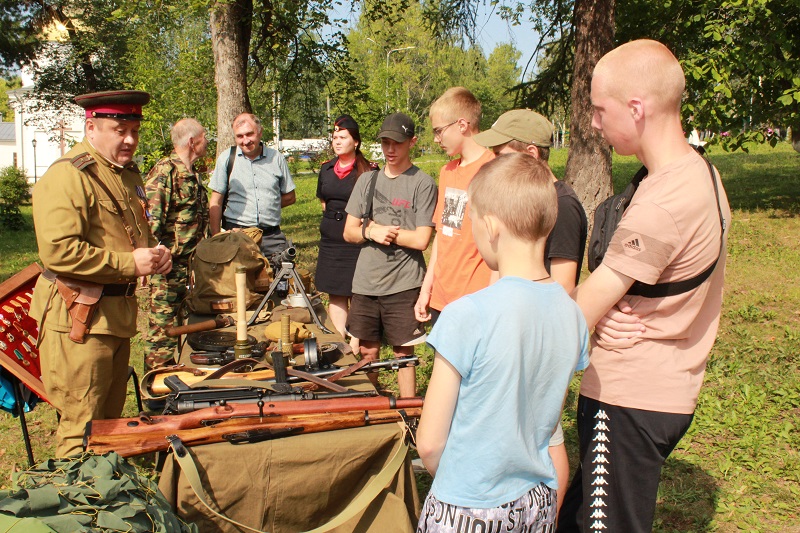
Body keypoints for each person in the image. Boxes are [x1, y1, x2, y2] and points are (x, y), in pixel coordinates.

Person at [556, 39, 731, 533]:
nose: (593, 122)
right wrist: (597, 315)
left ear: (636, 109)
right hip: (666, 383)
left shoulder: (664, 201)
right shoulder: (702, 175)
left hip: (629, 396)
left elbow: (571, 315)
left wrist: (589, 316)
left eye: (598, 109)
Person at [416, 153, 589, 532]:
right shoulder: (572, 314)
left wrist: (456, 486)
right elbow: (545, 421)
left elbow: (429, 443)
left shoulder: (467, 315)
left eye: (472, 222)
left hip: (464, 504)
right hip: (536, 501)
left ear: (491, 226)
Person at [29, 90, 172, 457]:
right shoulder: (70, 176)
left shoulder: (125, 175)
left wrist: (156, 255)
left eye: (134, 131)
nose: (129, 139)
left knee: (106, 425)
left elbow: (133, 234)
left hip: (114, 317)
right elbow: (59, 252)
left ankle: (101, 502)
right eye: (118, 129)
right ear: (91, 127)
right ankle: (71, 507)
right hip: (79, 318)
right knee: (81, 429)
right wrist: (131, 264)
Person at [473, 108, 588, 513]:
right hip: (514, 331)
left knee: (546, 437)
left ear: (533, 154)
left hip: (538, 341)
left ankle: (549, 517)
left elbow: (563, 286)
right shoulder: (528, 202)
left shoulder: (562, 204)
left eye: (503, 153)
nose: (494, 161)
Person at [343, 113, 437, 398]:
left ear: (412, 142)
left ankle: (408, 411)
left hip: (404, 283)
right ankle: (369, 407)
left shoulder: (422, 183)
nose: (390, 150)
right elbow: (349, 231)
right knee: (367, 349)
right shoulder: (367, 181)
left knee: (402, 352)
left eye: (396, 143)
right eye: (385, 142)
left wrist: (385, 232)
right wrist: (371, 233)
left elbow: (422, 239)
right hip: (366, 283)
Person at [414, 87, 494, 327]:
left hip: (477, 300)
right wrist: (426, 290)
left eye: (439, 131)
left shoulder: (493, 169)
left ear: (462, 125)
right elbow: (443, 233)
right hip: (442, 299)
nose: (436, 139)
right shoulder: (447, 172)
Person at [143, 118, 209, 371]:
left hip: (189, 267)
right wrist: (156, 260)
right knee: (162, 333)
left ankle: (177, 381)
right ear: (193, 142)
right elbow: (151, 222)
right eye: (204, 137)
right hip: (167, 269)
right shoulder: (165, 171)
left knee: (182, 327)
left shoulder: (191, 173)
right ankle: (156, 394)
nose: (207, 142)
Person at [315, 115, 378, 351]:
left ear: (356, 142)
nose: (337, 142)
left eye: (343, 137)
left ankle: (356, 341)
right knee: (336, 292)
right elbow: (324, 202)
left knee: (357, 291)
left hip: (357, 238)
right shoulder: (326, 169)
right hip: (331, 239)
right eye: (334, 138)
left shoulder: (369, 170)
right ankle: (339, 338)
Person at [208, 113, 296, 257]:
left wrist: (266, 205)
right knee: (237, 279)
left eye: (250, 134)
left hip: (271, 238)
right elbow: (216, 202)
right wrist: (216, 237)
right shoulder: (226, 159)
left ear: (260, 132)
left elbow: (290, 197)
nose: (245, 140)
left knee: (278, 278)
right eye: (240, 136)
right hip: (236, 236)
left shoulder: (276, 159)